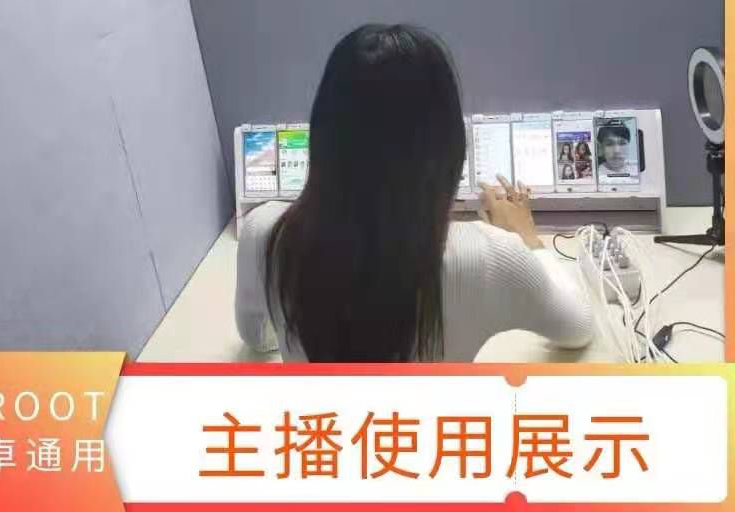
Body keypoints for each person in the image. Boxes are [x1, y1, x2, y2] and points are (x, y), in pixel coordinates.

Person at [235, 24, 592, 362]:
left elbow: (257, 338)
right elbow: (578, 327)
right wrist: (527, 239)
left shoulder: (263, 232)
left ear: (323, 138)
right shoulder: (491, 257)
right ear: (447, 150)